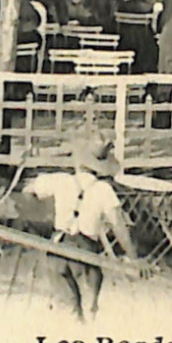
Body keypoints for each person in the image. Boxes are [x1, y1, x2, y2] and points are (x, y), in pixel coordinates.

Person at [26, 135, 142, 320]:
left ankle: (72, 316)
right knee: (92, 292)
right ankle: (92, 308)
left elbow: (28, 190)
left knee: (67, 305)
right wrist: (133, 258)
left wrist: (46, 215)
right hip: (86, 255)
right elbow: (119, 227)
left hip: (59, 249)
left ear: (80, 162)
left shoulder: (61, 180)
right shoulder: (105, 190)